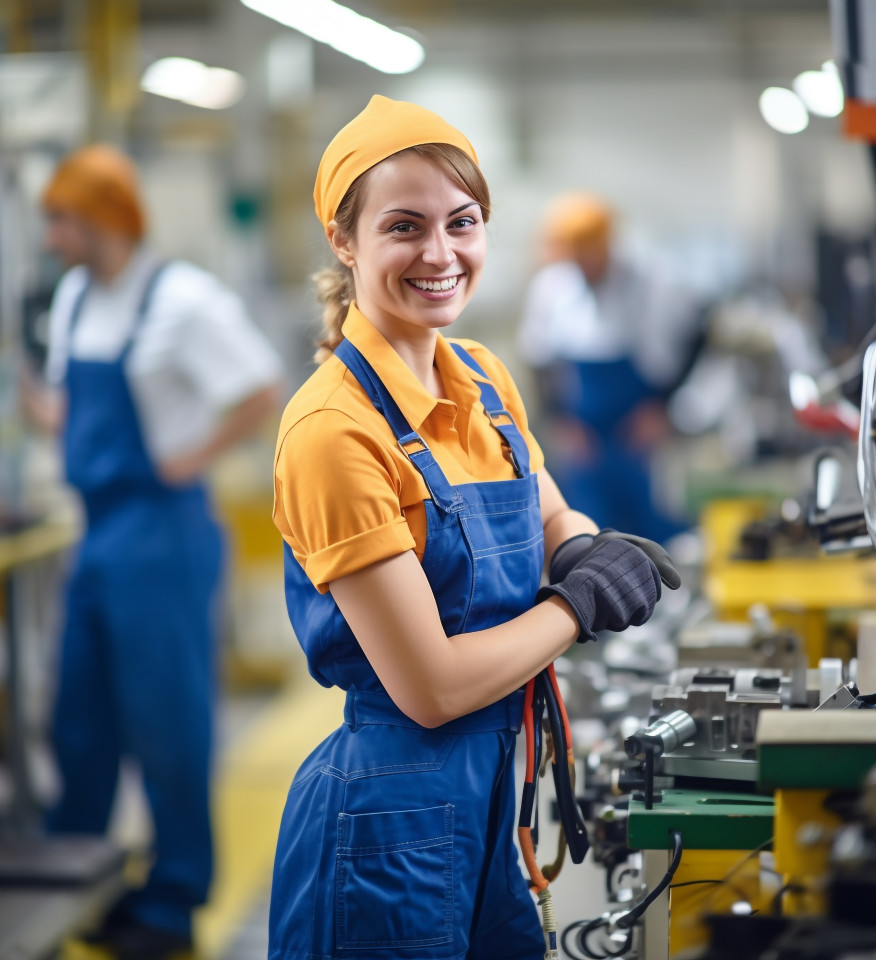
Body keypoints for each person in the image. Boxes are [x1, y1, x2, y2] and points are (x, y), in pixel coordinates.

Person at [269, 95, 679, 960]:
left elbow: (548, 505)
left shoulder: (483, 379)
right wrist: (577, 606)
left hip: (498, 796)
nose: (440, 253)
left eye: (463, 222)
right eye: (405, 226)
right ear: (345, 242)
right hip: (388, 826)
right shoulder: (333, 433)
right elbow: (435, 687)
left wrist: (582, 547)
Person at [24, 144, 284, 960]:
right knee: (82, 717)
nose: (51, 237)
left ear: (103, 219)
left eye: (61, 220)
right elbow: (75, 401)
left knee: (168, 723)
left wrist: (190, 457)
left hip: (163, 533)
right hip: (96, 532)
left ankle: (173, 901)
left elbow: (259, 387)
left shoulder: (182, 300)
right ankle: (79, 876)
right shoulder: (72, 297)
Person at [517, 192, 700, 544]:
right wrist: (561, 421)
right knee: (588, 522)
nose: (583, 264)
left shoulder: (651, 282)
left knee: (648, 515)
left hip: (637, 422)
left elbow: (695, 336)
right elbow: (539, 360)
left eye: (589, 253)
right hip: (583, 426)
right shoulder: (552, 287)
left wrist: (661, 407)